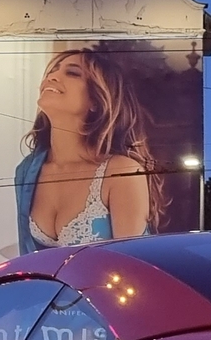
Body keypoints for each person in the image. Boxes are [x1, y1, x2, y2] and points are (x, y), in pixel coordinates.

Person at [15, 48, 159, 251]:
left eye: (72, 73)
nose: (52, 77)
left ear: (96, 100)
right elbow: (28, 259)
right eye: (52, 71)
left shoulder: (121, 171)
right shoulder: (27, 171)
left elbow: (132, 263)